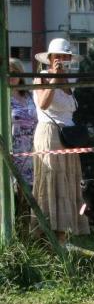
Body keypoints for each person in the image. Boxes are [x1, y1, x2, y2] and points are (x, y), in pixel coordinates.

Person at [32, 38, 89, 244]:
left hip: (68, 136)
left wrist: (62, 79)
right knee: (52, 183)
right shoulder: (41, 78)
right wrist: (55, 77)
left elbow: (70, 108)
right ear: (50, 59)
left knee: (68, 183)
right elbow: (44, 103)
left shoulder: (71, 81)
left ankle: (65, 236)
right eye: (58, 57)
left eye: (66, 57)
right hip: (50, 134)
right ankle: (48, 237)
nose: (62, 60)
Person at [9, 58, 38, 217]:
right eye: (8, 72)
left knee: (30, 195)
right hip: (13, 151)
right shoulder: (3, 95)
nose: (11, 76)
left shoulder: (30, 95)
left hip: (33, 151)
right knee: (13, 194)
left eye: (15, 72)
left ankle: (31, 234)